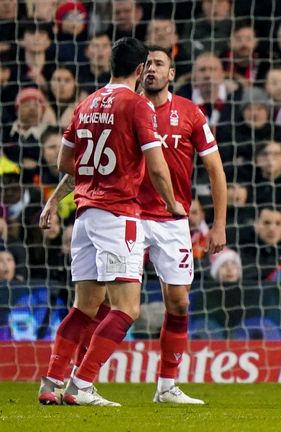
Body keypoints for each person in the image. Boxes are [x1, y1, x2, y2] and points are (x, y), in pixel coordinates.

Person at [37, 37, 184, 406]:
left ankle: (51, 380)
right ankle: (82, 384)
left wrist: (61, 197)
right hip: (119, 214)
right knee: (126, 308)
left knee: (84, 306)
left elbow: (63, 164)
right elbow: (156, 164)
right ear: (139, 70)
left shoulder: (85, 104)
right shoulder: (137, 105)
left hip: (84, 217)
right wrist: (172, 203)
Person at [138, 46, 227, 403]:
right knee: (108, 303)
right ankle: (80, 379)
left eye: (160, 64)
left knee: (178, 303)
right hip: (128, 213)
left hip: (173, 218)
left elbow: (215, 170)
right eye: (147, 64)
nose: (152, 69)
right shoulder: (129, 107)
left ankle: (167, 386)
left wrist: (219, 225)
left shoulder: (191, 112)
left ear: (172, 74)